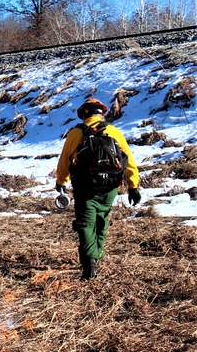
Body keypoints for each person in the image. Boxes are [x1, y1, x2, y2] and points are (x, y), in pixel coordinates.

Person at [55, 98, 141, 281]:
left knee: (86, 224)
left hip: (86, 187)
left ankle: (90, 265)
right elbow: (128, 160)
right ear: (101, 113)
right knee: (102, 220)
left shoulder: (75, 133)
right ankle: (96, 255)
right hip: (110, 186)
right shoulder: (114, 131)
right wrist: (133, 186)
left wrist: (61, 181)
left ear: (84, 114)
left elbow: (64, 160)